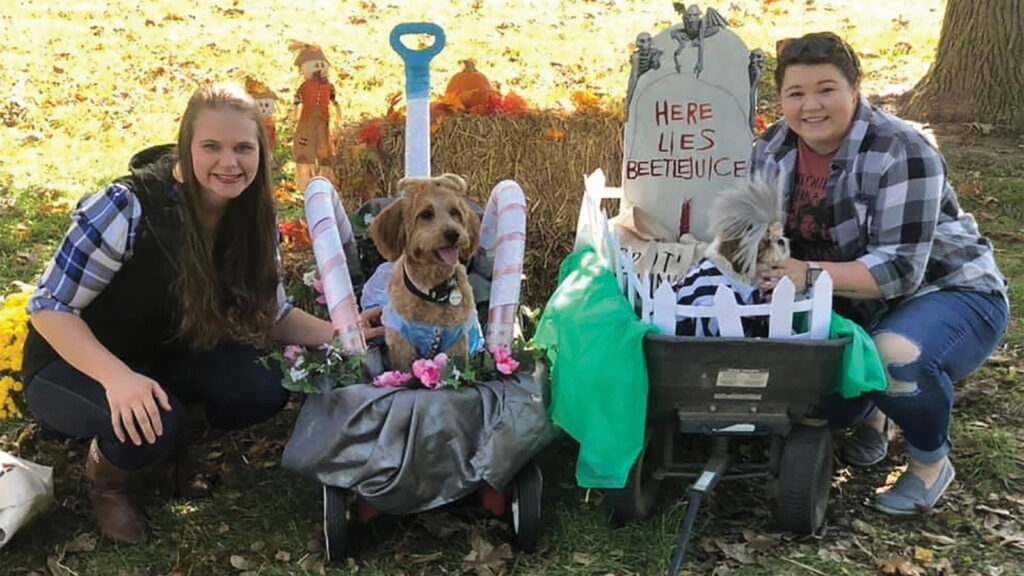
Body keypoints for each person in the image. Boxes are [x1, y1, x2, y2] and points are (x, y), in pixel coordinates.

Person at [20, 82, 382, 543]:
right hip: (71, 363)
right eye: (211, 146)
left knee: (264, 383)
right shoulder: (127, 206)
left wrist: (341, 332)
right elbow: (48, 306)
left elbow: (270, 313)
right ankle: (108, 482)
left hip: (163, 355)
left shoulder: (254, 217)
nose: (229, 163)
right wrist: (117, 379)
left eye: (243, 148)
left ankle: (162, 436)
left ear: (261, 153)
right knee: (155, 419)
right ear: (186, 145)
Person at [752, 32, 1008, 515]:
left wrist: (803, 274)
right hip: (845, 290)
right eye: (796, 93)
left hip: (946, 290)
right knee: (811, 397)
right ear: (781, 99)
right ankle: (870, 413)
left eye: (826, 89)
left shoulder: (902, 149)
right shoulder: (771, 150)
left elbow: (897, 271)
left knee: (894, 357)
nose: (811, 106)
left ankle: (930, 463)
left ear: (856, 89)